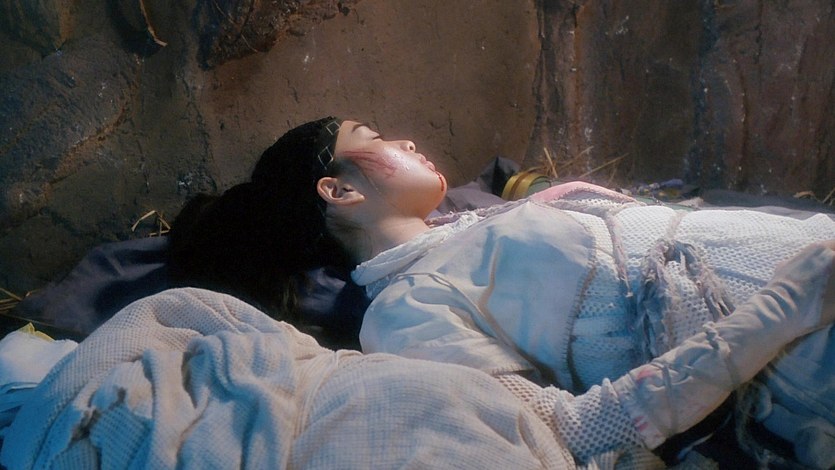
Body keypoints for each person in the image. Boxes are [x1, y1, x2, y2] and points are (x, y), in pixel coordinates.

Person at [168, 116, 835, 467]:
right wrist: (780, 312)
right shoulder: (403, 314)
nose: (405, 138)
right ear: (340, 190)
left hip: (788, 259)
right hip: (788, 337)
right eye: (374, 138)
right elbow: (570, 430)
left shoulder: (469, 225)